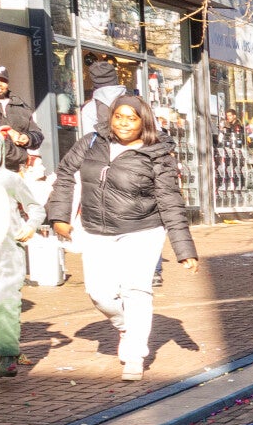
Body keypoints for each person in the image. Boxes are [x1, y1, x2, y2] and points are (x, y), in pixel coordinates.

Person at [45, 95, 197, 381]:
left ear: (143, 122)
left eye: (132, 118)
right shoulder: (91, 142)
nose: (124, 123)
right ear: (111, 117)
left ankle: (135, 353)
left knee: (136, 289)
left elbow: (170, 201)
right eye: (119, 117)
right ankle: (125, 324)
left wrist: (184, 249)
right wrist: (59, 216)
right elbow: (64, 175)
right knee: (98, 293)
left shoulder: (157, 154)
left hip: (142, 229)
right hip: (96, 229)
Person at [0, 129, 38, 378]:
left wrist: (31, 225)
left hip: (8, 251)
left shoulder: (8, 179)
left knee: (6, 301)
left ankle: (7, 356)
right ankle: (1, 350)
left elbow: (35, 207)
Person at [0, 63, 44, 170]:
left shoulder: (20, 104)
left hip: (17, 169)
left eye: (3, 80)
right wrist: (23, 157)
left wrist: (27, 138)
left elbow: (38, 135)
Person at [79, 57, 126, 136]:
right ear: (115, 77)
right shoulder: (135, 100)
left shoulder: (90, 108)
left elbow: (89, 139)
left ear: (93, 80)